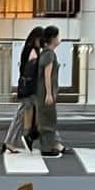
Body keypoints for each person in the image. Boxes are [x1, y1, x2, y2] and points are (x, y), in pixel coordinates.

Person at [2, 27, 43, 154]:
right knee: (25, 115)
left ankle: (11, 141)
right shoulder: (33, 52)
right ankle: (19, 139)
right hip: (30, 89)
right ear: (37, 38)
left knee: (22, 115)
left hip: (27, 88)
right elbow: (32, 70)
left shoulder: (29, 49)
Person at [36, 25, 68, 158]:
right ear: (53, 38)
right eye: (57, 36)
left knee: (46, 119)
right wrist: (49, 94)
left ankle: (50, 145)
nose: (59, 39)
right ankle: (47, 147)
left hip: (43, 91)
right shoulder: (49, 54)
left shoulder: (45, 53)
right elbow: (47, 75)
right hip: (45, 92)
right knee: (48, 120)